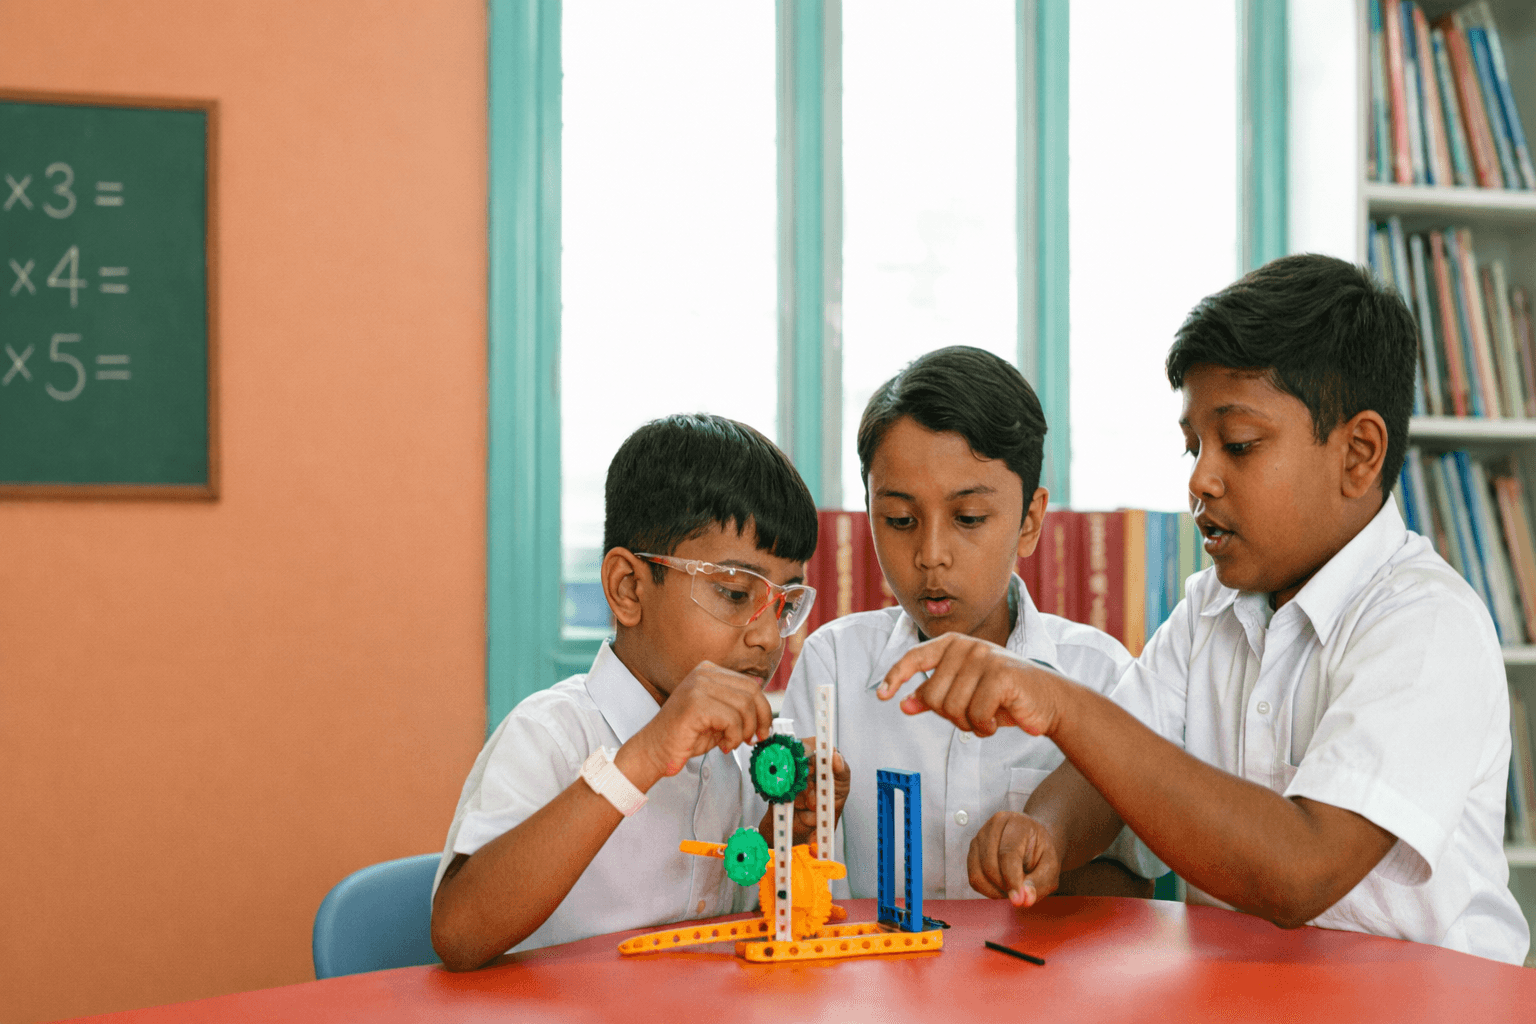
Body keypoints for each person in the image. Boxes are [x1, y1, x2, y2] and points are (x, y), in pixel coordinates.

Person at [880, 256, 1529, 964]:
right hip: (1249, 998)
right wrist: (1048, 829)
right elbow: (1110, 777)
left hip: (1414, 1004)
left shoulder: (1425, 625)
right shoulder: (1210, 610)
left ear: (1359, 454)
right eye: (1193, 446)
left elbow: (1299, 872)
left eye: (1238, 445)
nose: (1200, 478)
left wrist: (1060, 702)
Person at [431, 414, 848, 970]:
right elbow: (458, 934)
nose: (770, 637)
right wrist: (644, 756)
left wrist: (785, 832)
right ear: (628, 587)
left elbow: (737, 935)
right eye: (733, 592)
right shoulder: (551, 735)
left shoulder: (740, 759)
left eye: (785, 603)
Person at [781, 346, 1164, 900]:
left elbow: (1137, 880)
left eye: (968, 518)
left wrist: (1048, 855)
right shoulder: (833, 666)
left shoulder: (1101, 676)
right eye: (900, 520)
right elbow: (783, 870)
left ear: (1029, 521)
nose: (931, 555)